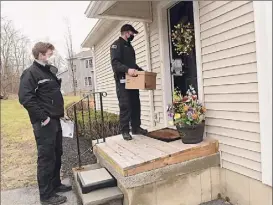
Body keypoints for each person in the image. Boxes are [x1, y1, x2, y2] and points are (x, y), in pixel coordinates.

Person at [18, 42, 71, 205]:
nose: (51, 56)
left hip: (55, 120)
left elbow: (52, 95)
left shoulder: (47, 71)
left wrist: (60, 115)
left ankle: (55, 184)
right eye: (49, 53)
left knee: (57, 153)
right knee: (46, 158)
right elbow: (25, 98)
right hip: (44, 123)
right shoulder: (31, 73)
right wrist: (44, 118)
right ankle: (46, 195)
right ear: (41, 54)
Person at [110, 24, 148, 140]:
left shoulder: (130, 47)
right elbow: (115, 63)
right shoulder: (116, 45)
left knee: (136, 103)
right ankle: (125, 131)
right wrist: (127, 70)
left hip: (133, 80)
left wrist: (141, 72)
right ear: (126, 32)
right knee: (125, 105)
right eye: (132, 33)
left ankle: (136, 127)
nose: (133, 36)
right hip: (122, 81)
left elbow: (132, 65)